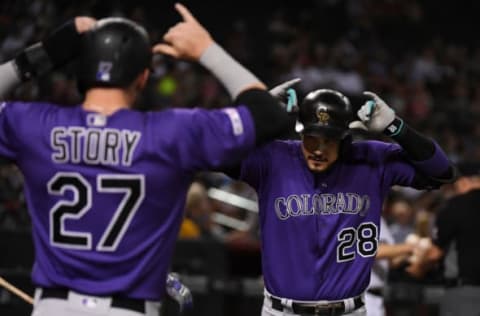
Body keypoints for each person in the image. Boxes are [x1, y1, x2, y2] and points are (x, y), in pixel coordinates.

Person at [0, 3, 294, 316]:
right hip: (129, 309)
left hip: (53, 307)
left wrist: (46, 51)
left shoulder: (33, 126)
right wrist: (207, 49)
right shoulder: (172, 133)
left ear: (81, 68)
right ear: (142, 77)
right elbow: (269, 115)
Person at [223, 88, 455, 315]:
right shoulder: (275, 158)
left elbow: (441, 172)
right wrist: (252, 116)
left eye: (329, 140)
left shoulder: (371, 159)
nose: (319, 149)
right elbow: (215, 153)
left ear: (345, 139)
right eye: (312, 138)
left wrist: (396, 127)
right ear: (300, 132)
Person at [408, 162, 480, 316]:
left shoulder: (456, 206)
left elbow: (435, 252)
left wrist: (415, 270)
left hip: (466, 293)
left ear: (463, 181)